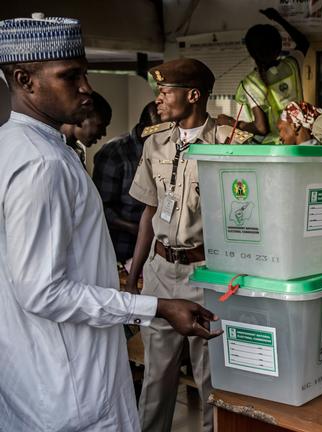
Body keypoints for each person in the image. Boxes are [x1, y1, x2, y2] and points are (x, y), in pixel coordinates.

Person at [0, 16, 222, 432]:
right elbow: (43, 290)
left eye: (84, 73)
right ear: (24, 79)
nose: (87, 87)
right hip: (72, 391)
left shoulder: (18, 146)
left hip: (36, 381)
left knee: (210, 379)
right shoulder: (40, 164)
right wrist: (154, 305)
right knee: (157, 381)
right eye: (71, 76)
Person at [126, 57, 253, 432]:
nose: (160, 100)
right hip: (161, 270)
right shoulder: (156, 142)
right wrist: (135, 276)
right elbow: (149, 213)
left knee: (212, 379)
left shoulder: (231, 144)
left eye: (166, 92)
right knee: (156, 377)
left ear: (193, 95)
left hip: (208, 274)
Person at [217, 7, 308, 143]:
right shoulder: (292, 65)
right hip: (299, 141)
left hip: (271, 148)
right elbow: (303, 42)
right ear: (279, 48)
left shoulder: (251, 82)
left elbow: (261, 128)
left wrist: (231, 122)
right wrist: (279, 19)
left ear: (251, 53)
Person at [92, 101, 161, 266]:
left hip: (157, 254)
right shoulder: (114, 154)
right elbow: (100, 208)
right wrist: (135, 229)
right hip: (121, 251)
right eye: (158, 133)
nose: (165, 139)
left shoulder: (166, 152)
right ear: (144, 127)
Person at [61, 90, 112, 166]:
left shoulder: (77, 152)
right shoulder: (52, 151)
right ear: (81, 117)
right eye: (100, 125)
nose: (104, 133)